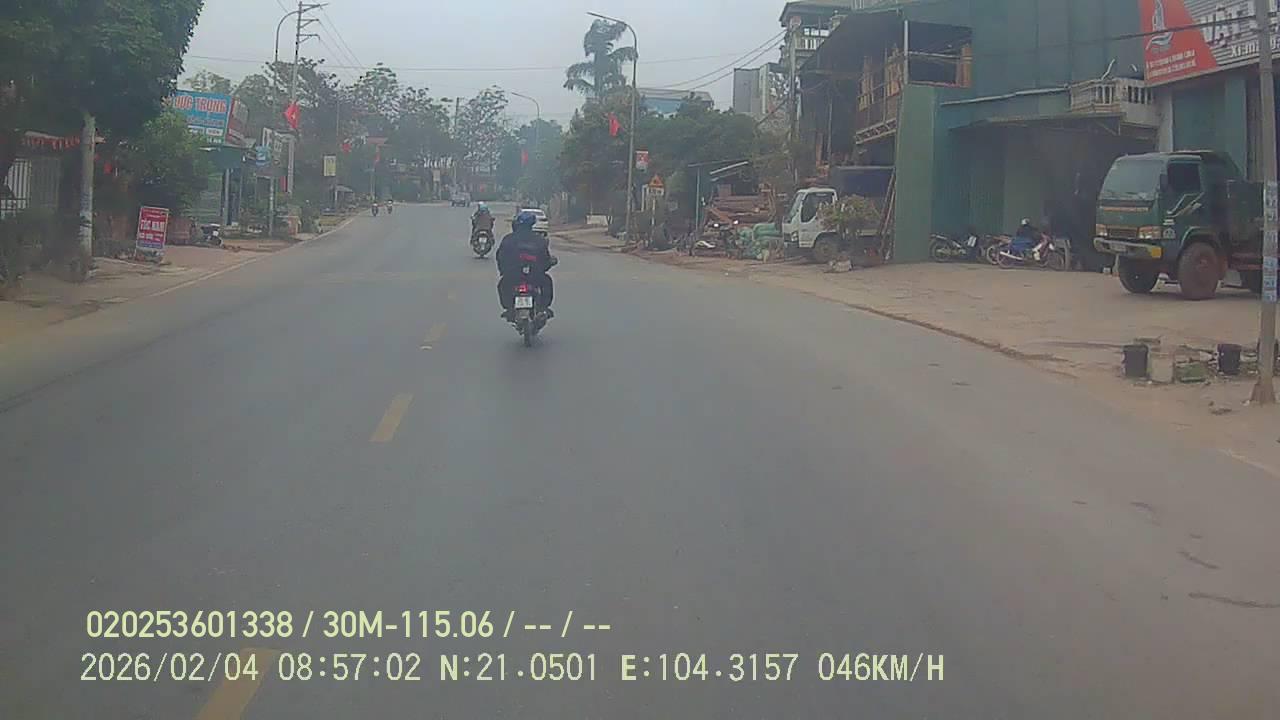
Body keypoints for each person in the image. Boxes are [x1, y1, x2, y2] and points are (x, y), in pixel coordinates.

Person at [496, 211, 554, 320]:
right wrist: (546, 265)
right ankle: (543, 308)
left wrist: (503, 270)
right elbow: (545, 260)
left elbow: (500, 257)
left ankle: (509, 309)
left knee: (502, 285)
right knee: (547, 282)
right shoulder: (539, 240)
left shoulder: (509, 239)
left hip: (513, 276)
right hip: (535, 276)